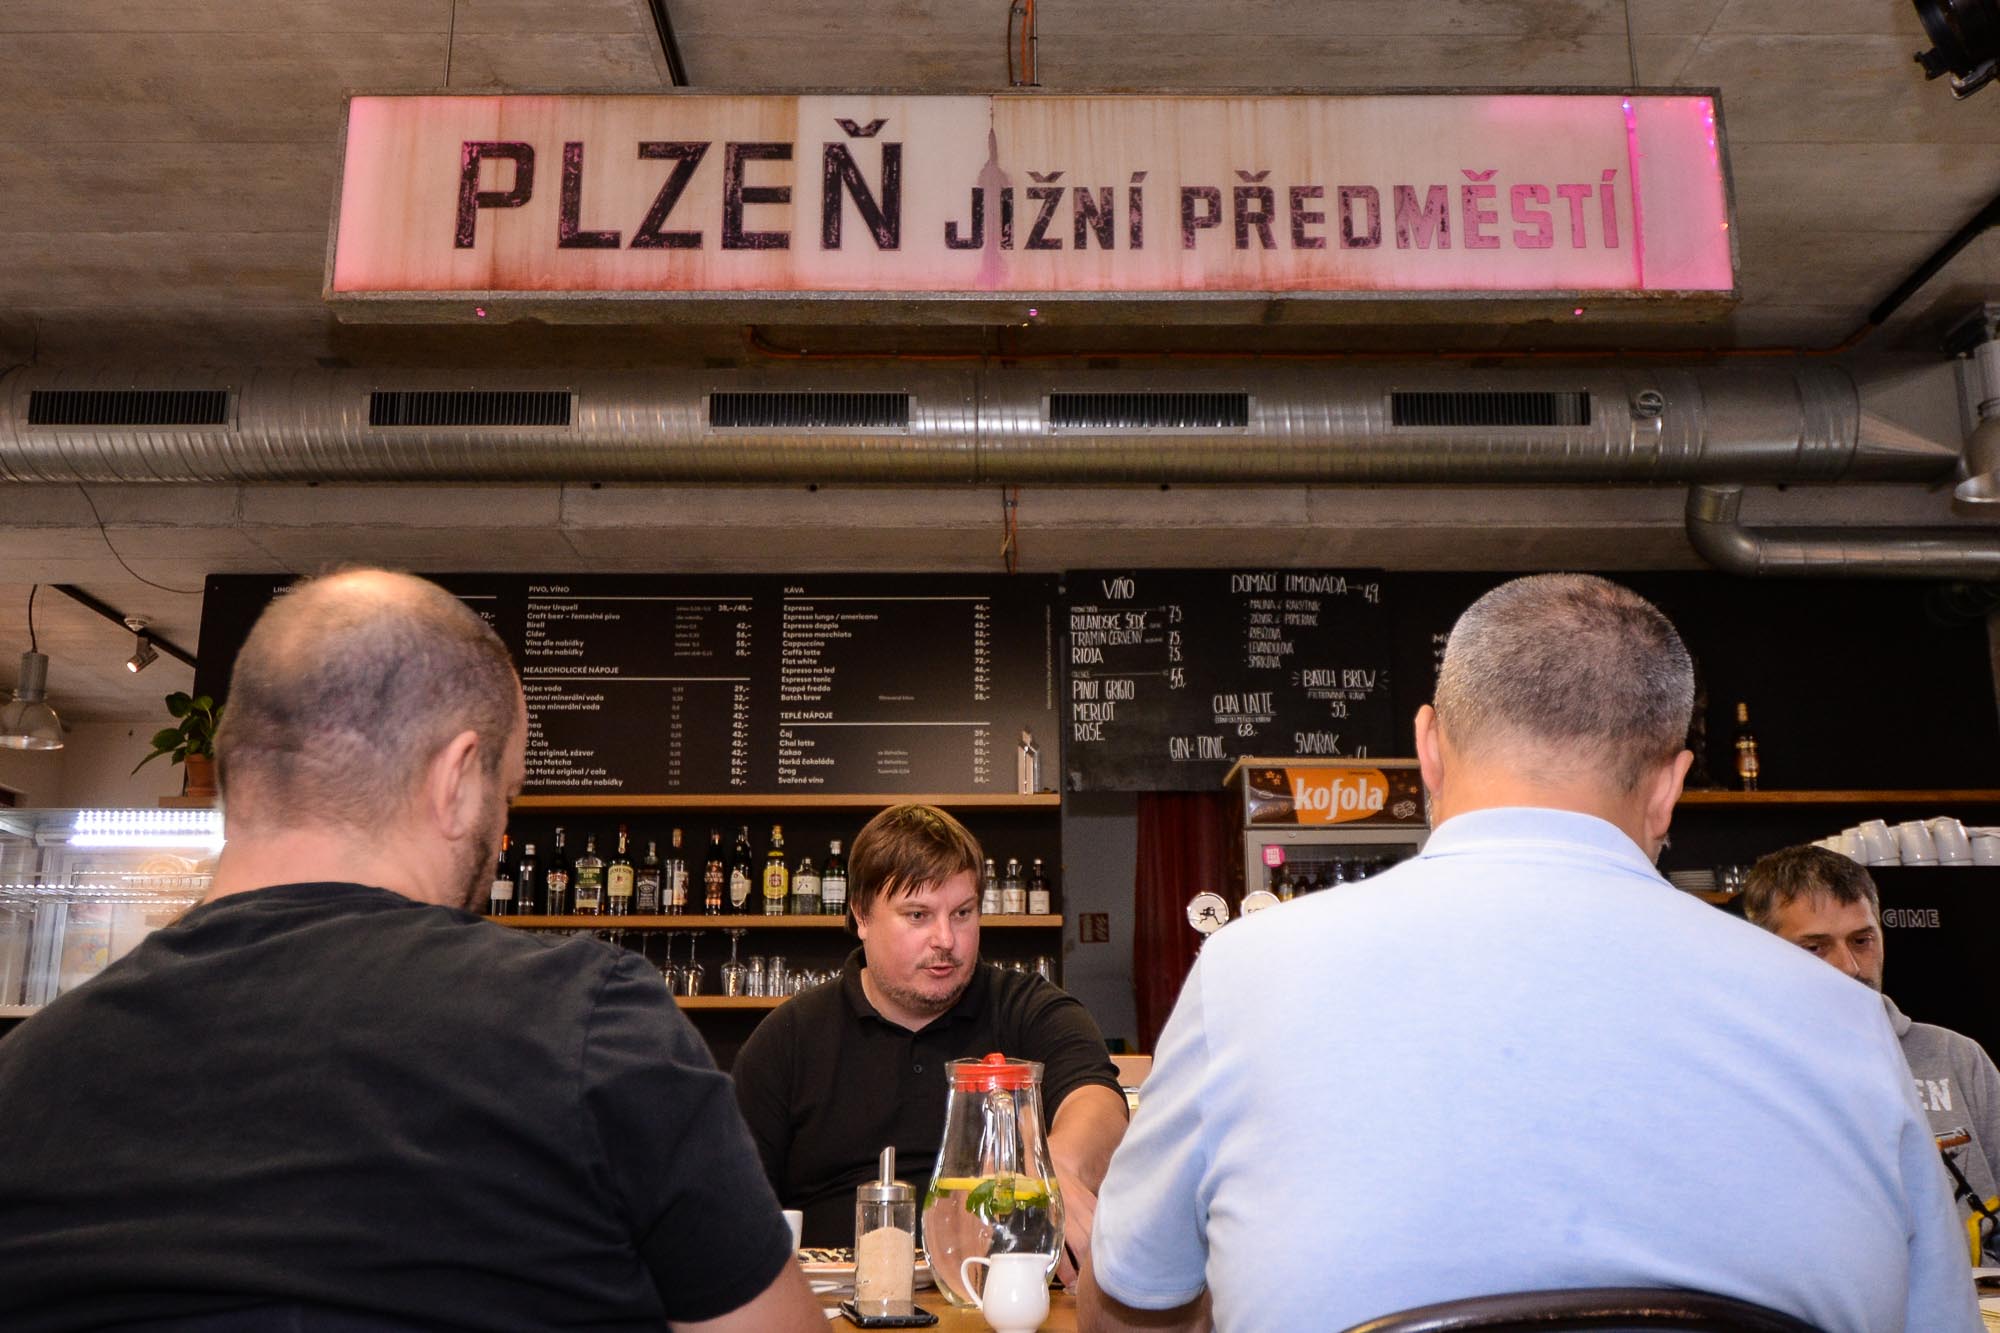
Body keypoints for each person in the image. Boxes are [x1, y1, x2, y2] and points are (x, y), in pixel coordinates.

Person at [1080, 573, 1978, 1333]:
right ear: (1671, 785)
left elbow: (1129, 1296)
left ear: (1429, 748)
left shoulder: (1248, 972)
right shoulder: (1847, 1020)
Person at [0, 570, 822, 1333]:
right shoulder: (588, 1021)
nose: (504, 830)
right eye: (509, 794)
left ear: (239, 767)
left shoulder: (27, 1069)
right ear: (457, 778)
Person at [731, 802, 1128, 1267]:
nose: (946, 938)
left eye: (962, 913)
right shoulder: (789, 1038)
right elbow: (728, 1203)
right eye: (918, 915)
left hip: (998, 1296)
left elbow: (1098, 1106)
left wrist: (1054, 1165)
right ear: (860, 916)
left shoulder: (1031, 1010)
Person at [1744, 842, 2000, 1266]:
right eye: (1816, 947)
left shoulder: (1957, 1056)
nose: (1850, 967)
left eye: (1862, 940)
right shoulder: (1744, 1072)